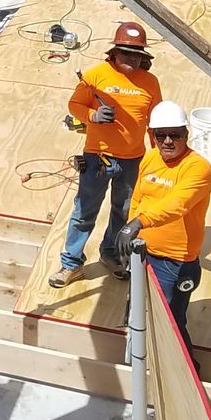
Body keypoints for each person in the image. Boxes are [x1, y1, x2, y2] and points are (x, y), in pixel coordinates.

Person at [48, 21, 162, 288]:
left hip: (132, 159)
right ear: (114, 53)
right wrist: (93, 116)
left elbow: (155, 121)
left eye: (136, 55)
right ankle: (71, 263)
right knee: (84, 210)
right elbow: (75, 104)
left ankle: (110, 254)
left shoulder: (150, 82)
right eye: (125, 54)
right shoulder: (97, 75)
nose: (131, 59)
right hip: (97, 158)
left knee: (123, 212)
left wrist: (158, 158)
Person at [122, 100, 211, 342]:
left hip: (175, 263)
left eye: (175, 135)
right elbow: (139, 198)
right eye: (160, 135)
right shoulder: (151, 158)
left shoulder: (198, 168)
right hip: (143, 252)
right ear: (152, 135)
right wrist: (132, 231)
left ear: (187, 134)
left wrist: (138, 223)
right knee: (138, 315)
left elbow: (178, 204)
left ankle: (185, 374)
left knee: (171, 325)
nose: (168, 141)